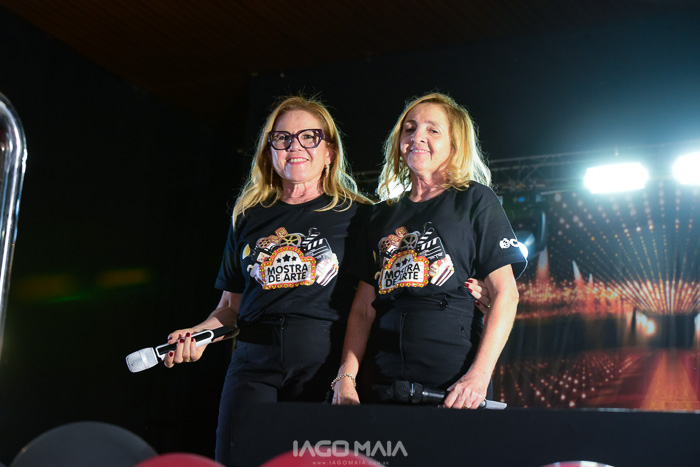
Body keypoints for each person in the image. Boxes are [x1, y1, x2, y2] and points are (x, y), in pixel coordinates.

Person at [163, 95, 370, 465]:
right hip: (252, 364)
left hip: (322, 363)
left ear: (330, 152)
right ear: (269, 151)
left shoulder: (358, 215)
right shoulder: (248, 217)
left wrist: (347, 376)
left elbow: (373, 304)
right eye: (282, 138)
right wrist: (198, 334)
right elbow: (230, 308)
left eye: (309, 137)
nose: (295, 146)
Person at [331, 92, 526, 410]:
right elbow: (363, 309)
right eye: (409, 129)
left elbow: (506, 294)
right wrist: (346, 378)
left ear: (455, 144)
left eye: (433, 130)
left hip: (452, 381)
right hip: (380, 380)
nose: (417, 136)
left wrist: (478, 377)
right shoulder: (379, 215)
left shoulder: (475, 199)